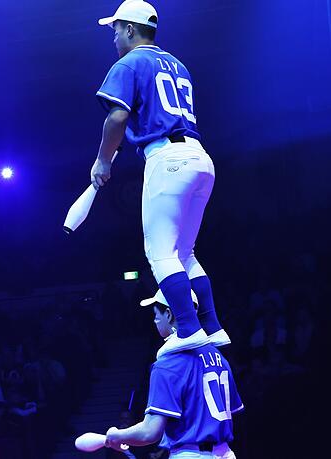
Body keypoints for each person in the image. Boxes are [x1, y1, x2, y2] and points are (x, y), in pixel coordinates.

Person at [91, 0, 229, 357]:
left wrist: (103, 160)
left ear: (131, 30)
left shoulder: (129, 62)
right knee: (185, 253)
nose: (114, 37)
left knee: (160, 254)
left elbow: (117, 117)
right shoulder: (178, 64)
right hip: (199, 157)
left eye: (116, 29)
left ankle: (189, 328)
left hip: (166, 159)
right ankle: (213, 327)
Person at [103, 291, 243, 458]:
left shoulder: (167, 364)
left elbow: (149, 432)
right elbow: (233, 412)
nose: (154, 320)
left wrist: (116, 435)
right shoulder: (219, 358)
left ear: (168, 315)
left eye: (156, 314)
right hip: (226, 453)